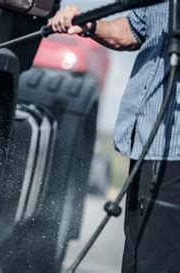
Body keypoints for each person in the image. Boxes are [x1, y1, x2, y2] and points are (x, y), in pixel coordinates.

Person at [50, 1, 180, 273]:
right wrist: (91, 25)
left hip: (175, 150)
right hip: (145, 142)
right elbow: (132, 30)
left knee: (159, 262)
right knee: (136, 258)